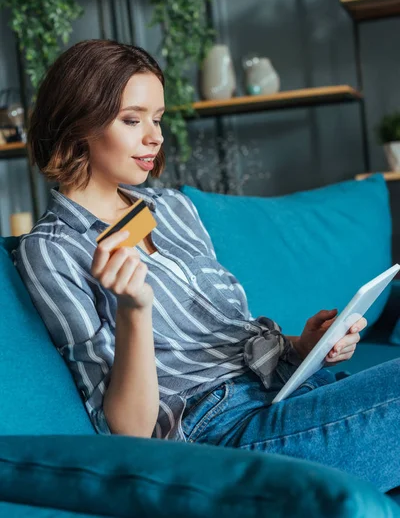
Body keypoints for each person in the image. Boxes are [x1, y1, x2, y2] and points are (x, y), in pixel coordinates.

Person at [13, 39, 398, 494]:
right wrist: (134, 311)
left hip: (287, 392)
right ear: (78, 124)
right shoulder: (53, 251)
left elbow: (229, 339)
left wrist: (303, 346)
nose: (154, 137)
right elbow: (130, 431)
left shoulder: (172, 208)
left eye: (156, 119)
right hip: (219, 433)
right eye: (132, 120)